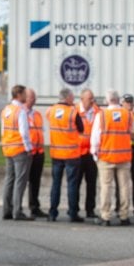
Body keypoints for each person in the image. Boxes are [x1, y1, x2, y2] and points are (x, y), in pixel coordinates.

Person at [90, 90, 133, 226]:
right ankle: (124, 215)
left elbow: (96, 137)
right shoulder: (128, 115)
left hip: (106, 156)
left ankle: (106, 216)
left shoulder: (101, 115)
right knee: (124, 187)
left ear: (107, 100)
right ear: (118, 100)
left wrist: (94, 152)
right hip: (124, 156)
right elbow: (130, 132)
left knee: (106, 186)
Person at [46, 88, 85, 222]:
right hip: (71, 154)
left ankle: (52, 213)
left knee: (56, 184)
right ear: (67, 97)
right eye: (72, 96)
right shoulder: (73, 112)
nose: (74, 99)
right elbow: (81, 129)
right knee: (72, 184)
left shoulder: (50, 110)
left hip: (56, 153)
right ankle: (73, 213)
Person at [1, 85, 35, 221]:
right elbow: (24, 132)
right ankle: (17, 211)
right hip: (19, 149)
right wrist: (28, 148)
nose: (26, 97)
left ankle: (6, 210)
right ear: (19, 94)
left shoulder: (6, 110)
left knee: (9, 179)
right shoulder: (20, 111)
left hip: (8, 148)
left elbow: (3, 130)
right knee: (20, 181)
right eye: (24, 94)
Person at [76, 88, 100, 218]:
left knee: (91, 184)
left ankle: (90, 210)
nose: (92, 101)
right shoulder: (75, 111)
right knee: (76, 183)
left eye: (92, 98)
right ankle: (74, 209)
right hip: (78, 153)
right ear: (82, 99)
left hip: (92, 153)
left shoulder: (98, 111)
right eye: (89, 98)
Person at [25, 88, 48, 218]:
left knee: (35, 181)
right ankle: (15, 207)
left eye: (34, 97)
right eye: (31, 97)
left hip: (38, 152)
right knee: (21, 182)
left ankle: (34, 207)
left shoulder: (37, 114)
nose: (34, 100)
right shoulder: (22, 113)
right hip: (28, 152)